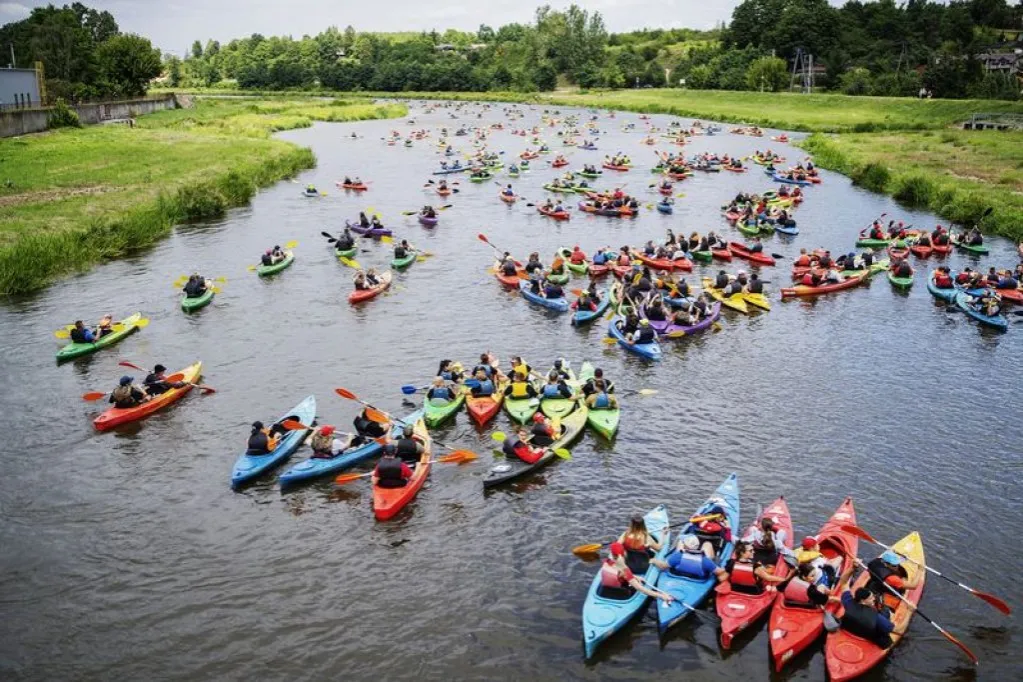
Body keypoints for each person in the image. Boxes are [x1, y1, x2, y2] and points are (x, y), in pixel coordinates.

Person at [600, 542, 676, 603]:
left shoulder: (607, 561)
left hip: (605, 591)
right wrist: (661, 596)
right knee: (638, 586)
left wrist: (635, 577)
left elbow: (619, 573)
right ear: (624, 553)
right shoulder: (625, 570)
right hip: (621, 593)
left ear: (612, 554)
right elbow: (641, 589)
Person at [653, 534, 728, 582]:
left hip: (678, 574)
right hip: (698, 579)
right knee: (707, 544)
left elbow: (663, 566)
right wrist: (726, 570)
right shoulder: (705, 560)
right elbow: (720, 573)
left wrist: (654, 560)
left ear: (685, 546)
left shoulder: (678, 556)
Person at [725, 541, 790, 595]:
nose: (753, 552)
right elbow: (768, 577)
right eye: (751, 551)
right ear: (742, 553)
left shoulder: (731, 563)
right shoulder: (755, 566)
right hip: (752, 593)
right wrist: (784, 580)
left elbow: (725, 577)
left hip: (735, 590)